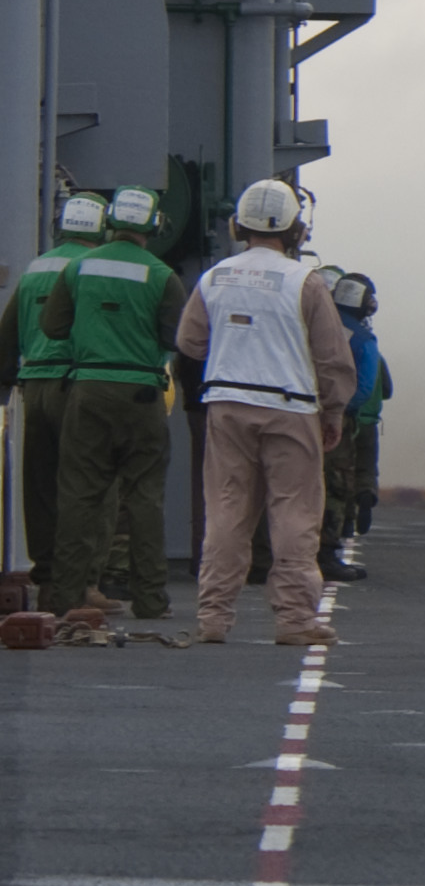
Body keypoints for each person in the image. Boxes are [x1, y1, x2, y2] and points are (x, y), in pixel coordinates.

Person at [170, 178, 354, 648]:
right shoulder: (305, 282)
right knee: (293, 512)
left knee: (227, 510)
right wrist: (332, 413)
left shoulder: (214, 277)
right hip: (290, 407)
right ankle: (294, 620)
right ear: (296, 231)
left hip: (227, 405)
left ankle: (213, 617)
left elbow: (190, 343)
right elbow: (332, 358)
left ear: (237, 226)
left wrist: (235, 346)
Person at [33, 185, 186, 641]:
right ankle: (151, 599)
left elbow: (53, 326)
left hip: (88, 390)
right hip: (142, 395)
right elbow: (175, 339)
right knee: (144, 497)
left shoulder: (78, 267)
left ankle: (63, 597)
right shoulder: (163, 276)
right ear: (154, 225)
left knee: (79, 494)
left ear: (111, 221)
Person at [8, 193, 103, 606]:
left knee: (40, 486)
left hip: (33, 386)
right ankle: (82, 586)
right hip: (75, 382)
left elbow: (7, 332)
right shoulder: (93, 268)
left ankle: (46, 579)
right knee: (88, 485)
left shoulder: (34, 269)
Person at [317, 270, 388, 581]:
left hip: (300, 412)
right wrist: (343, 410)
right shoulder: (362, 337)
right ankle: (327, 554)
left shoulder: (316, 325)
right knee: (335, 485)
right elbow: (367, 386)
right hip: (338, 421)